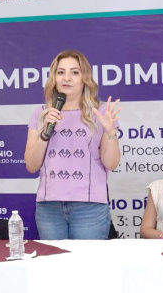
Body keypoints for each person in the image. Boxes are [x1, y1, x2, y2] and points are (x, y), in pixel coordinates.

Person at [24, 50, 121, 240]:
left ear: (85, 78)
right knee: (55, 260)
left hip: (89, 207)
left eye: (74, 72)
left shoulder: (100, 112)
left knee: (86, 260)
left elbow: (111, 163)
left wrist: (110, 133)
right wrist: (44, 132)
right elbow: (31, 165)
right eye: (61, 72)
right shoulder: (41, 113)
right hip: (49, 208)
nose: (66, 78)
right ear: (54, 78)